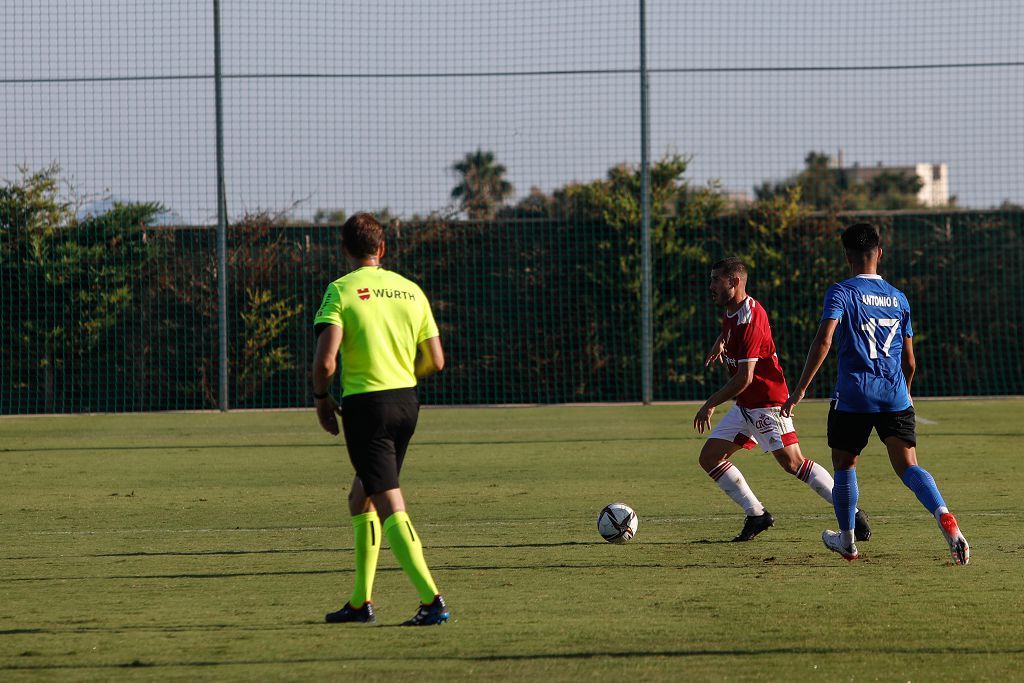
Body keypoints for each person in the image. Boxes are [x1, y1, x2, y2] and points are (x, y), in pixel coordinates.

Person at [781, 222, 969, 565]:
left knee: (844, 466)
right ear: (879, 253)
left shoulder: (840, 292)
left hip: (854, 396)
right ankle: (944, 515)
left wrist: (800, 390)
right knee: (908, 466)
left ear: (847, 256)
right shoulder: (899, 297)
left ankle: (848, 541)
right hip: (895, 394)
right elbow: (909, 361)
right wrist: (906, 395)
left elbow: (824, 341)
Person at [311, 212, 451, 625]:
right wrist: (406, 374)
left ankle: (432, 600)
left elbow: (325, 361)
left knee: (390, 501)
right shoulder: (411, 290)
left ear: (345, 250)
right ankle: (360, 603)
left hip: (367, 408)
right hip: (407, 404)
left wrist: (321, 398)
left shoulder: (341, 290)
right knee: (362, 496)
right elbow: (437, 361)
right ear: (382, 248)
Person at [694, 257, 870, 543]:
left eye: (716, 280)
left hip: (767, 402)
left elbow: (744, 378)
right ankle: (756, 515)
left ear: (734, 282)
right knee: (710, 457)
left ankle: (853, 513)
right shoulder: (732, 310)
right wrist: (721, 341)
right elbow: (731, 332)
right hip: (746, 405)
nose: (710, 285)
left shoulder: (750, 318)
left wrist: (710, 403)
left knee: (794, 463)